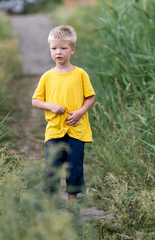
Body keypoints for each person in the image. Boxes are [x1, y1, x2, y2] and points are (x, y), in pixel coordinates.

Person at [32, 25, 95, 202]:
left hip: (76, 130)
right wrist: (50, 106)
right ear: (50, 49)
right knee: (52, 167)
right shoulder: (47, 77)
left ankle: (72, 206)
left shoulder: (80, 74)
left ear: (72, 50)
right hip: (54, 130)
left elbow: (90, 98)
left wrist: (81, 112)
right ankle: (50, 207)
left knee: (74, 167)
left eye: (63, 48)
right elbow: (35, 101)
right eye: (54, 48)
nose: (58, 52)